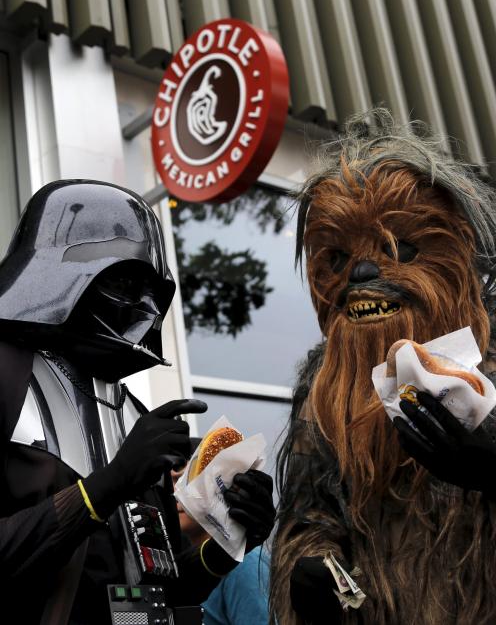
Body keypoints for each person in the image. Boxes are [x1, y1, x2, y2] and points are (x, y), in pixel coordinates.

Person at [0, 179, 275, 624]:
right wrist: (106, 487)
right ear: (59, 270)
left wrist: (227, 546)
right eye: (128, 281)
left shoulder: (132, 415)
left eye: (155, 292)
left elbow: (149, 595)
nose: (146, 308)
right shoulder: (8, 378)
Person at [270, 110, 496, 624]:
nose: (364, 272)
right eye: (338, 259)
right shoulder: (325, 395)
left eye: (403, 249)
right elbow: (311, 518)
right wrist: (309, 570)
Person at [172, 456, 271, 625]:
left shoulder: (244, 562)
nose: (175, 492)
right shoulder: (183, 562)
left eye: (186, 479)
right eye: (171, 482)